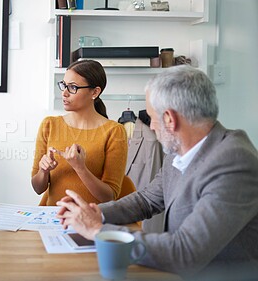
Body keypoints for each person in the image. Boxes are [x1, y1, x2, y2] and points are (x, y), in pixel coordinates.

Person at [56, 65, 258, 280]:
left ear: (170, 119)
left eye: (151, 117)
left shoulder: (234, 164)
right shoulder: (179, 150)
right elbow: (146, 200)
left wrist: (98, 231)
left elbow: (185, 252)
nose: (151, 126)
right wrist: (96, 212)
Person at [31, 60, 131, 206]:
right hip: (52, 217)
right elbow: (37, 188)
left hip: (89, 220)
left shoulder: (114, 131)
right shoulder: (49, 125)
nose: (64, 93)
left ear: (95, 92)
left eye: (72, 87)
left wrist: (80, 168)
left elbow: (109, 196)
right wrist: (43, 171)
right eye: (64, 85)